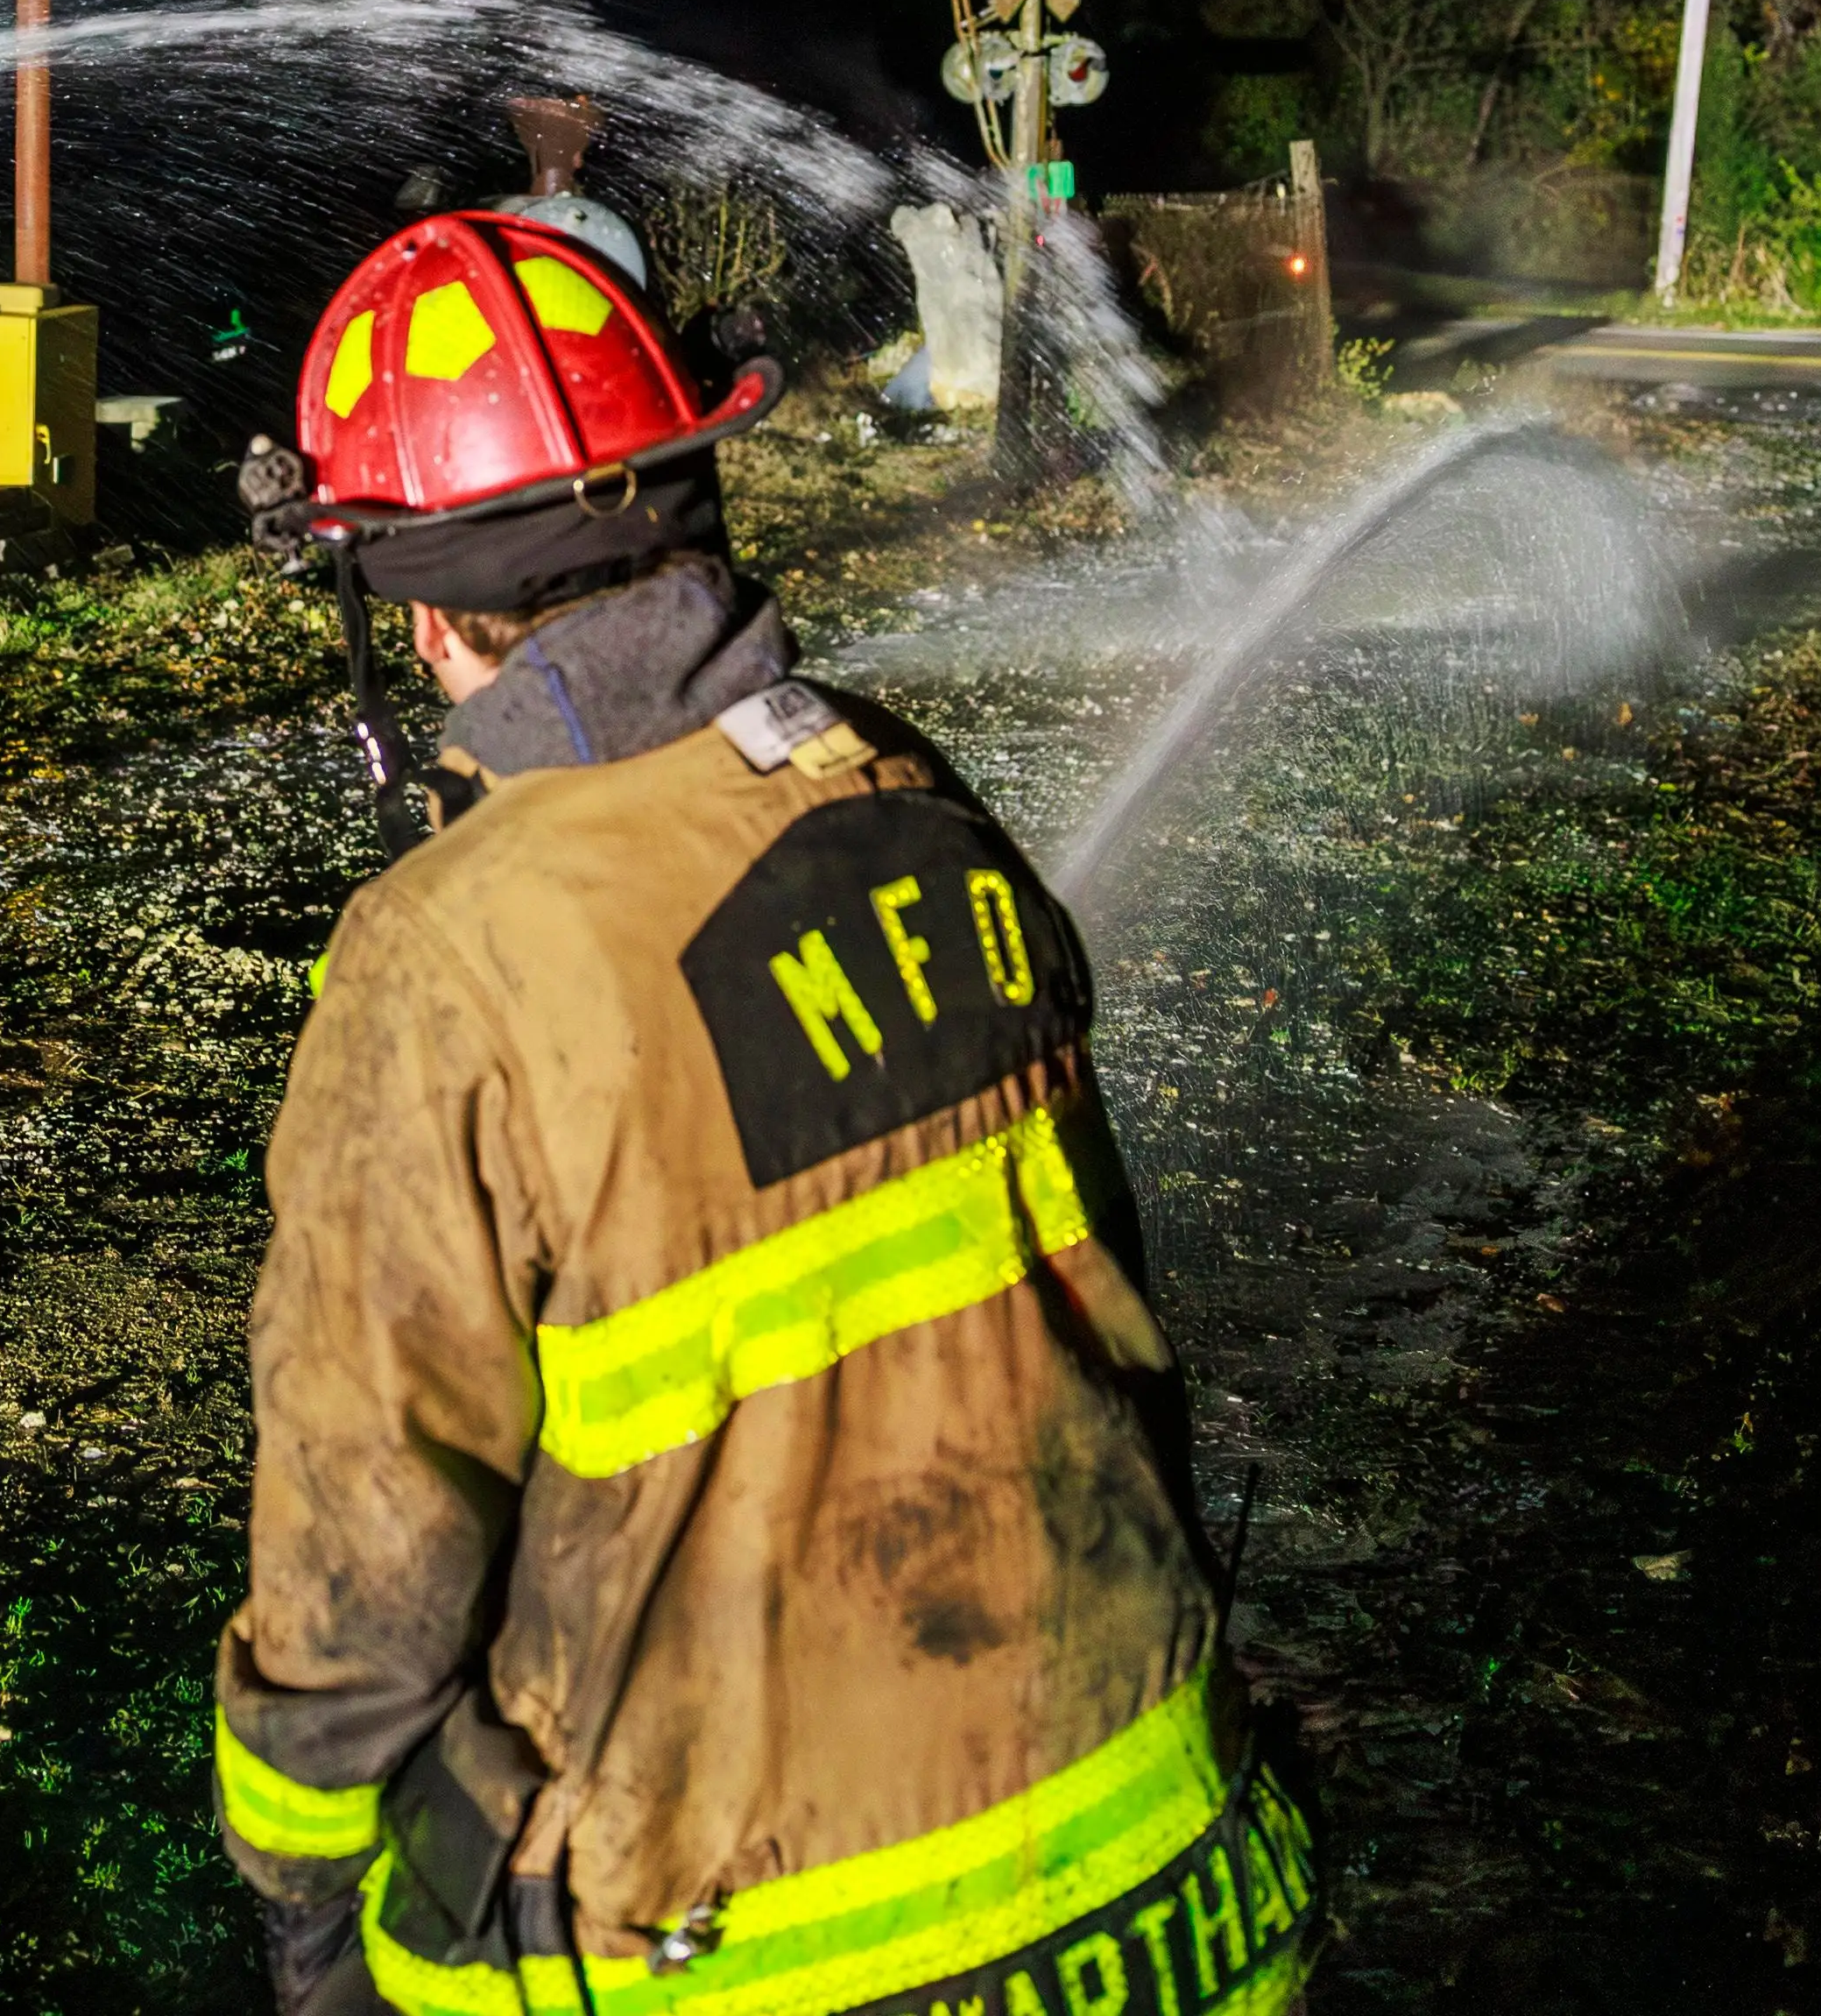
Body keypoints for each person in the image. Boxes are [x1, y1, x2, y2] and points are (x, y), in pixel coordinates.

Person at [215, 207, 1315, 2016]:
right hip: (1178, 1888)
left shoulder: (444, 956)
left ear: (414, 614)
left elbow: (361, 1539)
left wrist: (301, 1891)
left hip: (751, 1954)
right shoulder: (901, 791)